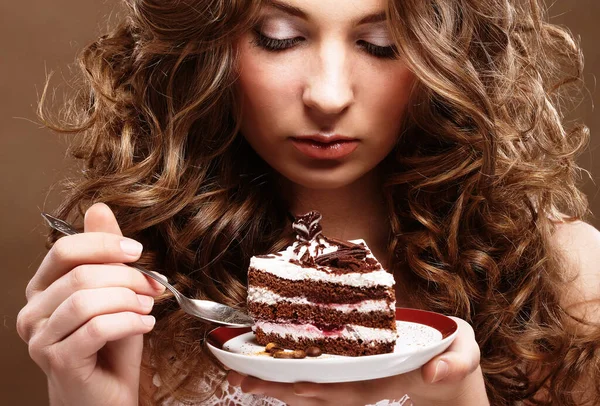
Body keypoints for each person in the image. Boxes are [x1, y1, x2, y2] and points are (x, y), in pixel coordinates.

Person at [15, 0, 600, 404]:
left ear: (449, 56)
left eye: (382, 44)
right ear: (207, 48)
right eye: (279, 38)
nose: (327, 94)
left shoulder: (569, 277)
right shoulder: (148, 292)